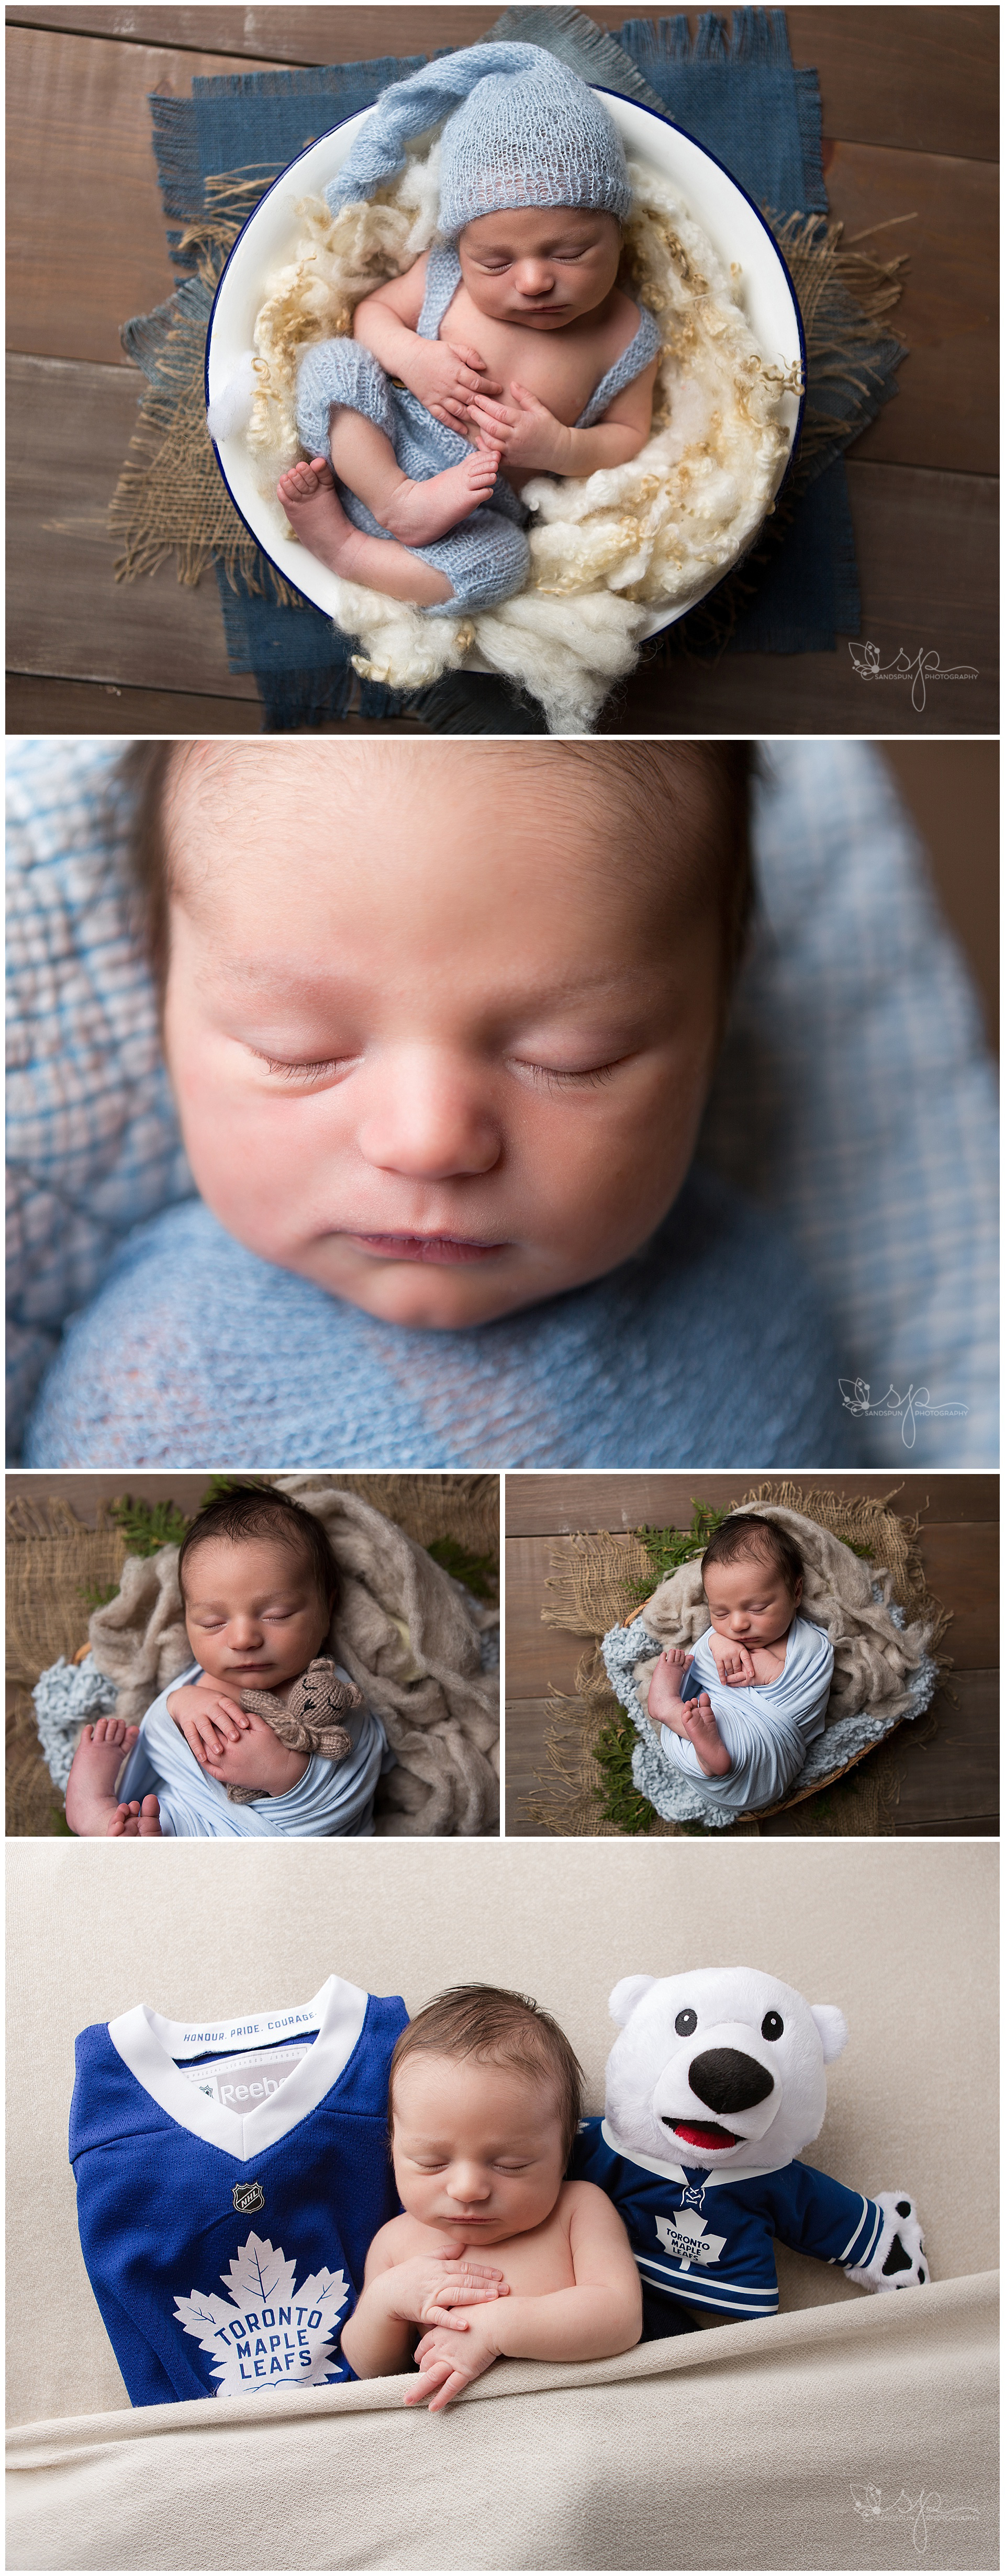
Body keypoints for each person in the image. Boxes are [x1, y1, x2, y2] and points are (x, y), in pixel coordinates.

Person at [24, 739, 857, 1470]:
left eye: (570, 1057)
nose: (428, 1141)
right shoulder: (152, 1382)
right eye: (297, 1050)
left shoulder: (764, 1309)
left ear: (721, 1006)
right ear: (159, 987)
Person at [274, 46, 660, 612]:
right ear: (461, 246)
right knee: (333, 363)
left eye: (572, 253)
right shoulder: (444, 272)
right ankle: (393, 498)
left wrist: (560, 446)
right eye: (496, 263)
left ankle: (344, 548)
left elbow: (629, 437)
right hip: (379, 442)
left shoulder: (627, 335)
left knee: (505, 564)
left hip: (477, 511)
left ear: (619, 236)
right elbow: (371, 316)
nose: (532, 281)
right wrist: (412, 359)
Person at [340, 1984, 642, 2409]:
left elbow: (619, 2318)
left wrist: (497, 2327)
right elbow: (374, 2370)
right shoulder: (396, 2243)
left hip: (574, 2416)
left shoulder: (578, 2210)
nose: (467, 2189)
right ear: (392, 2148)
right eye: (430, 2161)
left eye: (511, 2164)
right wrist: (385, 2303)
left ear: (563, 2153)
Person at [63, 1486, 388, 1837]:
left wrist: (282, 1771)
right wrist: (179, 1704)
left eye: (277, 1615)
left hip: (276, 1851)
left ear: (327, 1609)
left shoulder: (331, 1692)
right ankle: (95, 1809)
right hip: (181, 1821)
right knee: (147, 1821)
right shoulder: (195, 1683)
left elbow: (348, 1788)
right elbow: (159, 1746)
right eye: (213, 1623)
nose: (243, 1639)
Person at [644, 1516, 834, 1813]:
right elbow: (702, 1669)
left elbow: (806, 1688)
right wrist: (715, 1645)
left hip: (767, 1757)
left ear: (796, 1593)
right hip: (710, 1730)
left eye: (757, 1609)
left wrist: (772, 1673)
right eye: (720, 1613)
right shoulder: (721, 1637)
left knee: (724, 1731)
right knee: (702, 1713)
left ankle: (701, 1747)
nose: (737, 1624)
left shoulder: (812, 1644)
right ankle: (673, 1713)